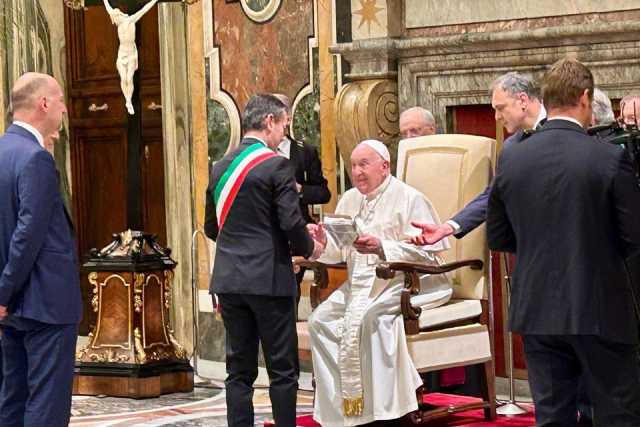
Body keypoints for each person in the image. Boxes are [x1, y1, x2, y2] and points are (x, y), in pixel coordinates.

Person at [487, 58, 640, 426]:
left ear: (546, 99)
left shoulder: (512, 158)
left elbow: (499, 236)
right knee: (617, 414)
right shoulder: (608, 157)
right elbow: (633, 236)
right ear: (585, 98)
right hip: (600, 309)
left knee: (552, 416)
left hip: (536, 309)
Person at [308, 139, 452, 426]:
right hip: (361, 284)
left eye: (364, 164)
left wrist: (382, 246)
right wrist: (322, 244)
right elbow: (340, 251)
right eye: (353, 165)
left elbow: (431, 252)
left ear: (385, 167)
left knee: (372, 319)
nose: (357, 172)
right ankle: (343, 408)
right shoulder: (349, 199)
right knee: (319, 321)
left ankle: (385, 411)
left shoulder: (409, 198)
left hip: (406, 281)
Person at [204, 94, 326, 427]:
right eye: (284, 125)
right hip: (269, 280)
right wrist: (310, 247)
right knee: (282, 370)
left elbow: (211, 228)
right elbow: (289, 222)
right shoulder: (276, 165)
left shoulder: (220, 166)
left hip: (229, 281)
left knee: (238, 372)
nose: (284, 133)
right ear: (270, 121)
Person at [0, 72, 82, 427]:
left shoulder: (4, 151)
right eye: (60, 99)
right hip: (43, 304)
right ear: (43, 103)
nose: (65, 108)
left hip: (14, 306)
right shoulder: (35, 159)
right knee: (46, 407)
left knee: (13, 400)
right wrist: (4, 292)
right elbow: (27, 235)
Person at [411, 72, 545, 245]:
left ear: (523, 100)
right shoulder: (511, 147)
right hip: (528, 248)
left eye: (500, 108)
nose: (496, 117)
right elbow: (494, 194)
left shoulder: (566, 130)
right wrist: (447, 227)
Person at [103, 0, 158, 115]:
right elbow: (107, 7)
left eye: (115, 18)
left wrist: (154, 0)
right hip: (122, 53)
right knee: (123, 78)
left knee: (129, 78)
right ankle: (128, 101)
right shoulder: (118, 23)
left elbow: (144, 10)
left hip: (131, 53)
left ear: (119, 16)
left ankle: (129, 100)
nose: (114, 21)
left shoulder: (130, 20)